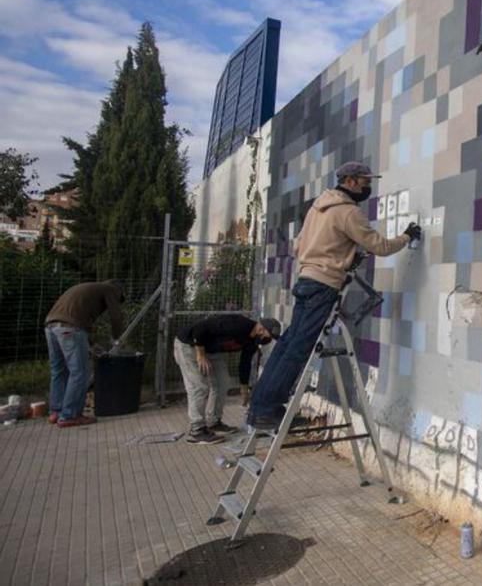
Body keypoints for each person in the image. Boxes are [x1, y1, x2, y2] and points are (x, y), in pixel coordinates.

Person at [247, 161, 421, 432]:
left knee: (287, 344)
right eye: (365, 182)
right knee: (299, 350)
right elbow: (380, 247)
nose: (368, 188)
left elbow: (298, 245)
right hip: (324, 285)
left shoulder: (319, 206)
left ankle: (259, 406)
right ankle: (268, 410)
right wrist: (406, 236)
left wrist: (335, 253)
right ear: (350, 181)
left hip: (305, 280)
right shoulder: (348, 212)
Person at [174, 314, 281, 444]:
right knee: (199, 387)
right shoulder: (237, 324)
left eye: (268, 337)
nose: (266, 339)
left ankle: (213, 421)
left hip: (211, 351)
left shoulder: (254, 341)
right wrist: (200, 355)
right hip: (189, 346)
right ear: (260, 328)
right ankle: (196, 431)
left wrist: (244, 389)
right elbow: (200, 328)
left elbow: (245, 363)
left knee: (223, 382)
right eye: (266, 334)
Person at [44, 280, 124, 427]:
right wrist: (116, 338)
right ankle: (70, 415)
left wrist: (92, 344)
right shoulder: (110, 289)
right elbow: (115, 315)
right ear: (118, 291)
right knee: (80, 372)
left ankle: (56, 412)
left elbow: (77, 317)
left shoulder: (89, 288)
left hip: (51, 326)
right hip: (70, 328)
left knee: (58, 371)